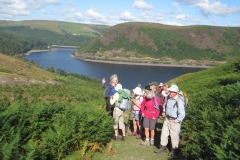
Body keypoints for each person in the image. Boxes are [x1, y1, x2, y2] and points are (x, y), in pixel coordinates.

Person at [154, 84, 186, 157]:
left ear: (175, 93)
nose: (169, 92)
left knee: (174, 136)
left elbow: (182, 114)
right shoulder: (168, 98)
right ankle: (163, 147)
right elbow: (165, 105)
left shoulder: (179, 101)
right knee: (164, 133)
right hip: (167, 119)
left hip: (174, 121)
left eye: (171, 91)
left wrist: (177, 120)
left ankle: (174, 150)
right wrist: (164, 112)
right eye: (170, 91)